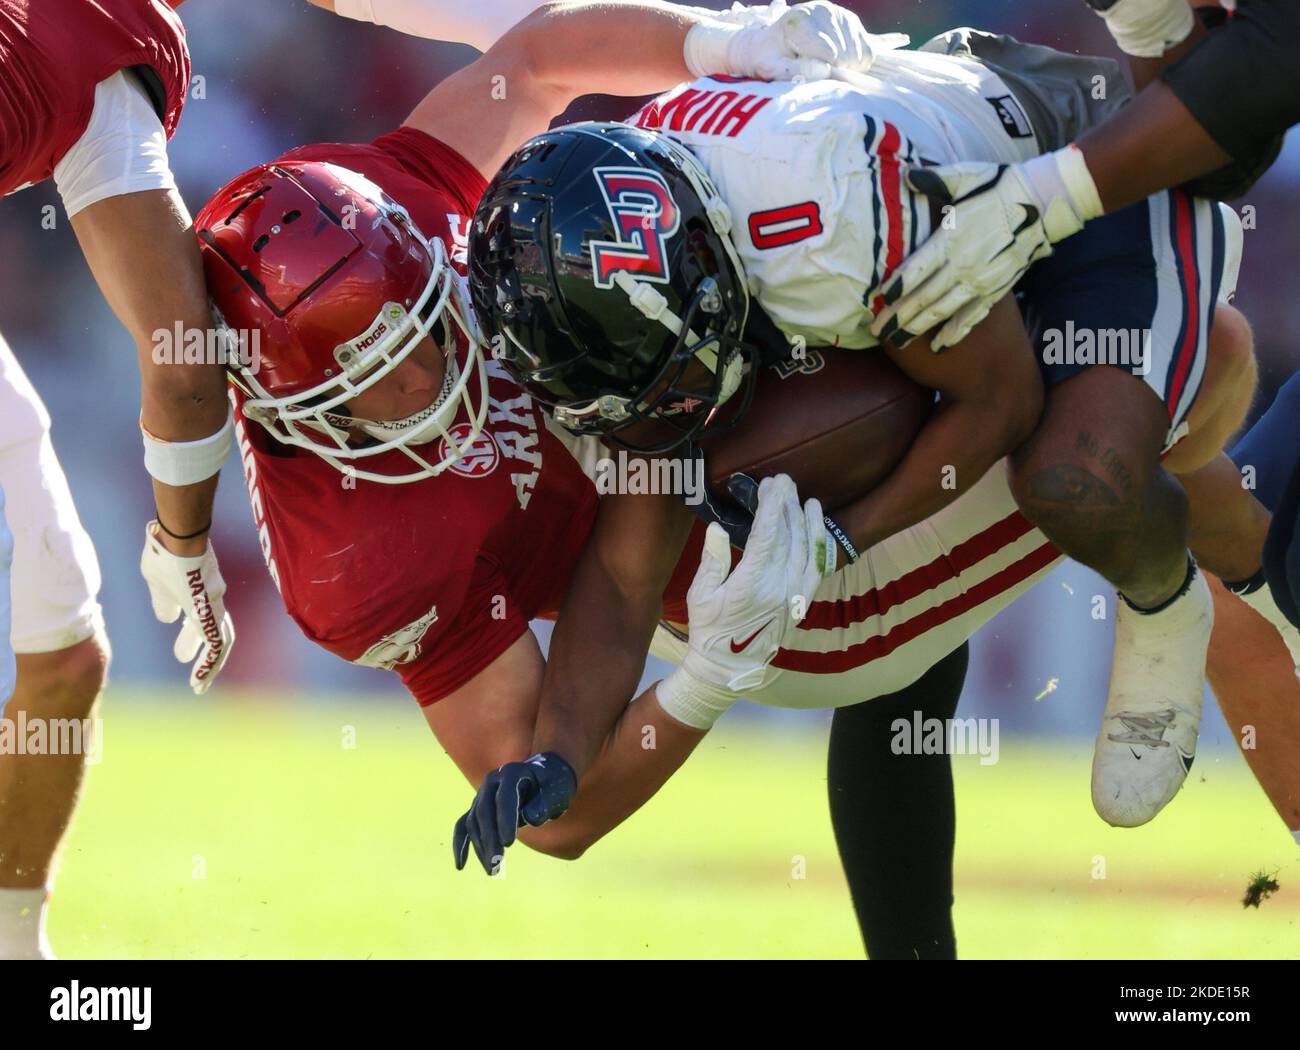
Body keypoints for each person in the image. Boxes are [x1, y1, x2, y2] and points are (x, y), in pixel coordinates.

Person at [466, 19, 1284, 832]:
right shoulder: (624, 242)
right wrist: (558, 756)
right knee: (722, 425)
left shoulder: (826, 237)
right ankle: (1250, 546)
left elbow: (999, 402)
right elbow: (622, 574)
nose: (662, 410)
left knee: (1074, 478)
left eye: (665, 372)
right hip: (918, 181)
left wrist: (841, 541)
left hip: (1087, 171)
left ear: (702, 275)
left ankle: (1163, 603)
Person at [0, 0, 232, 962]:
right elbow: (183, 371)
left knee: (62, 644)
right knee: (61, 643)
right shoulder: (103, 43)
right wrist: (184, 544)